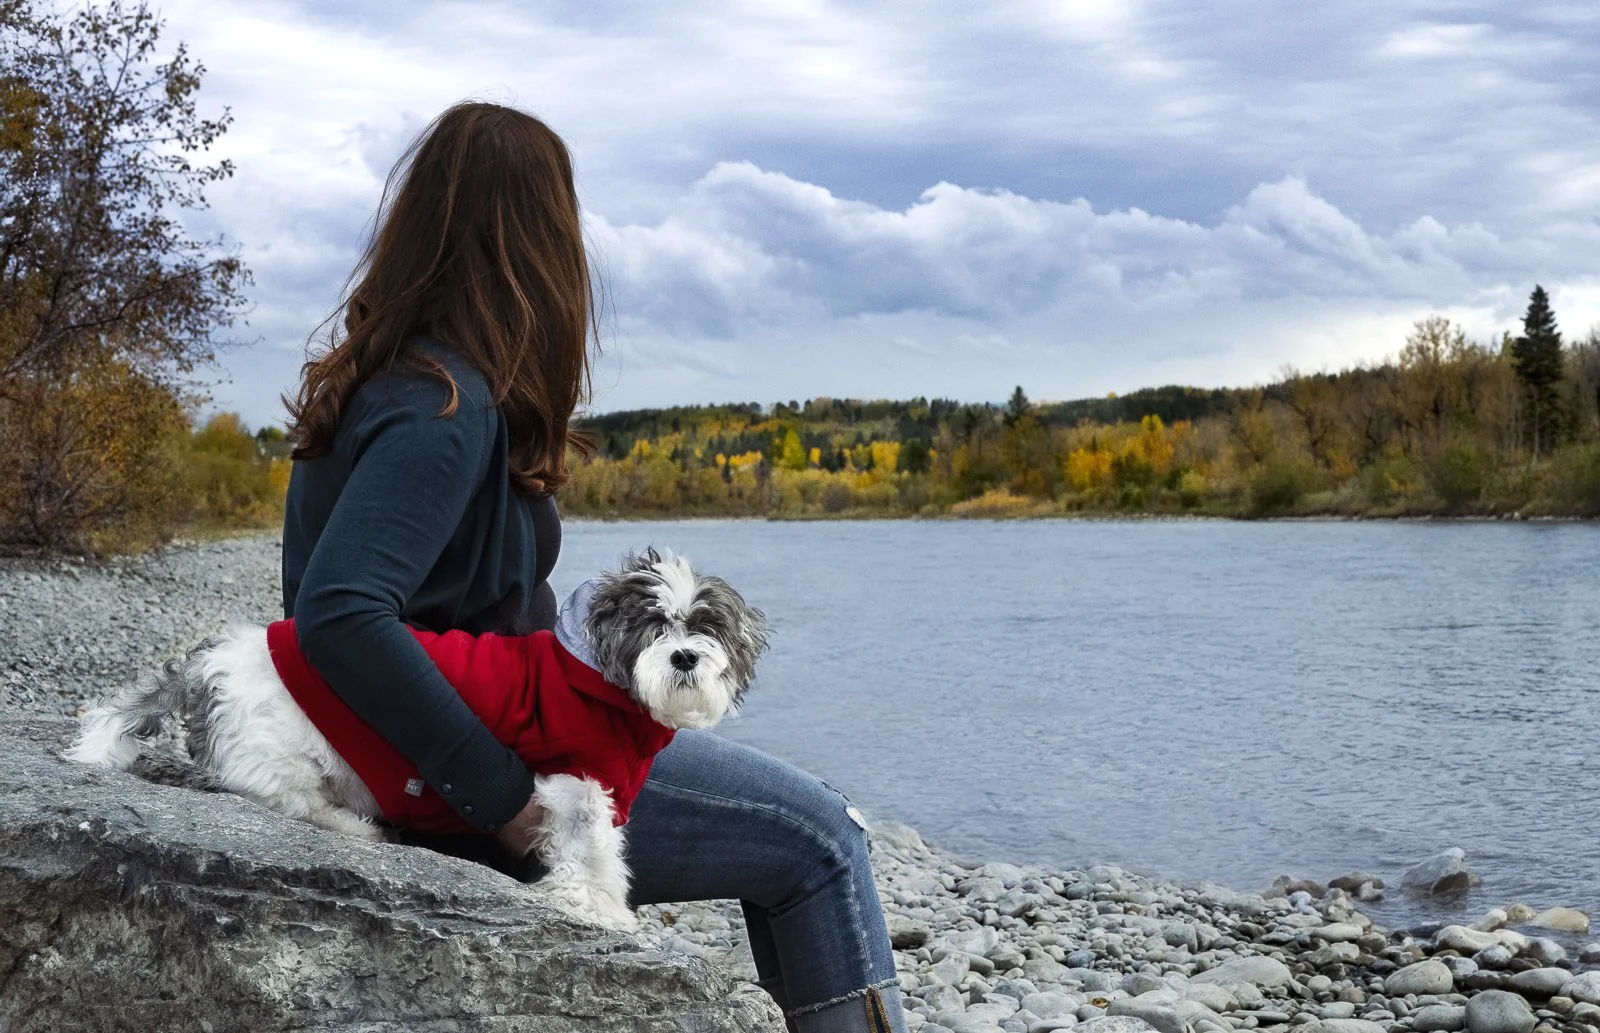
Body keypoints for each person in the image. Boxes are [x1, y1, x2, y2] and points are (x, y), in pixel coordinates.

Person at [279, 101, 907, 1033]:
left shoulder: (397, 379)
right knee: (820, 839)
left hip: (494, 735)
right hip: (496, 769)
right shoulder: (444, 409)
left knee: (800, 829)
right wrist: (502, 802)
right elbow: (336, 615)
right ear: (540, 244)